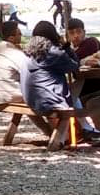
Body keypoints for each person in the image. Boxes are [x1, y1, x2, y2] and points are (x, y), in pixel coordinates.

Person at [21, 21, 82, 149]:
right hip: (47, 100)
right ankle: (59, 141)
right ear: (53, 35)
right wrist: (66, 46)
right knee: (69, 105)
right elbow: (75, 65)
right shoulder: (54, 53)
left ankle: (64, 138)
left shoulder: (28, 52)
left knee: (65, 99)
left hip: (30, 98)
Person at [0, 18, 29, 107]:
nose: (22, 35)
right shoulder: (14, 52)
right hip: (9, 95)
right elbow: (29, 72)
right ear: (11, 38)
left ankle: (15, 120)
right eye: (19, 34)